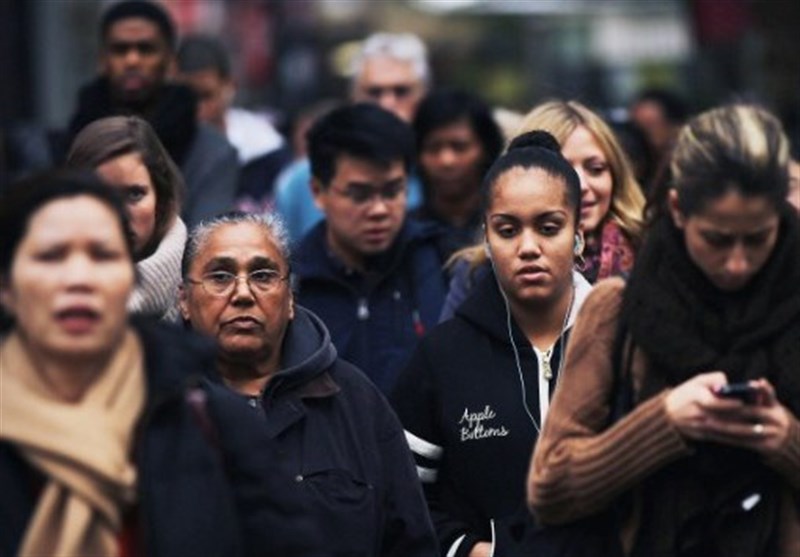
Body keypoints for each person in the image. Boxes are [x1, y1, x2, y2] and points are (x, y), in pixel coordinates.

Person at [528, 104, 800, 556]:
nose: (737, 263)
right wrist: (665, 421)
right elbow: (550, 487)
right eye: (716, 239)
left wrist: (784, 438)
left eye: (757, 239)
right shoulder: (617, 308)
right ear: (677, 209)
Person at [0, 170, 241, 557]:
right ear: (7, 287)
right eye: (51, 256)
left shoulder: (208, 419)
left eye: (103, 256)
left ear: (131, 279)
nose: (79, 279)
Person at [177, 211, 439, 556]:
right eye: (220, 276)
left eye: (263, 275)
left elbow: (411, 544)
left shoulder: (355, 400)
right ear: (184, 300)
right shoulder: (156, 405)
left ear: (290, 299)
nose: (242, 293)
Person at [392, 131, 593, 557]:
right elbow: (403, 499)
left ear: (578, 234)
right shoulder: (443, 356)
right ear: (486, 237)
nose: (528, 247)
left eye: (549, 228)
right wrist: (472, 551)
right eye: (507, 230)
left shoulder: (621, 343)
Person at [441, 99, 645, 320]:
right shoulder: (477, 274)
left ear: (615, 176)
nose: (581, 185)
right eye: (562, 170)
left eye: (595, 169)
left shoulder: (649, 257)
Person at [293, 103, 448, 395]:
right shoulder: (293, 284)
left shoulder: (440, 261)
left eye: (392, 191)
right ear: (318, 192)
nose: (379, 210)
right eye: (359, 195)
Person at [64, 0, 238, 227]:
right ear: (102, 59)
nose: (132, 60)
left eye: (146, 49)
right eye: (120, 49)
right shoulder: (69, 144)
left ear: (170, 61)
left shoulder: (210, 152)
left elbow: (205, 238)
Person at [273, 32, 429, 244]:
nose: (387, 104)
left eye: (401, 91)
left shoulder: (441, 173)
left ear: (423, 97)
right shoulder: (300, 182)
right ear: (354, 98)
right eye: (374, 92)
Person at [67, 115, 185, 321]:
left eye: (134, 194)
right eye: (101, 195)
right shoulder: (34, 299)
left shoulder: (201, 296)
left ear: (160, 199)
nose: (119, 213)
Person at [176, 34, 293, 208]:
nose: (197, 109)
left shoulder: (264, 148)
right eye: (186, 98)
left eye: (206, 96)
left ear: (230, 86)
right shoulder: (162, 149)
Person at [411, 89, 505, 261]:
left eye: (459, 147)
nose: (446, 161)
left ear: (486, 150)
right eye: (433, 148)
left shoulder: (505, 226)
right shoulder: (405, 234)